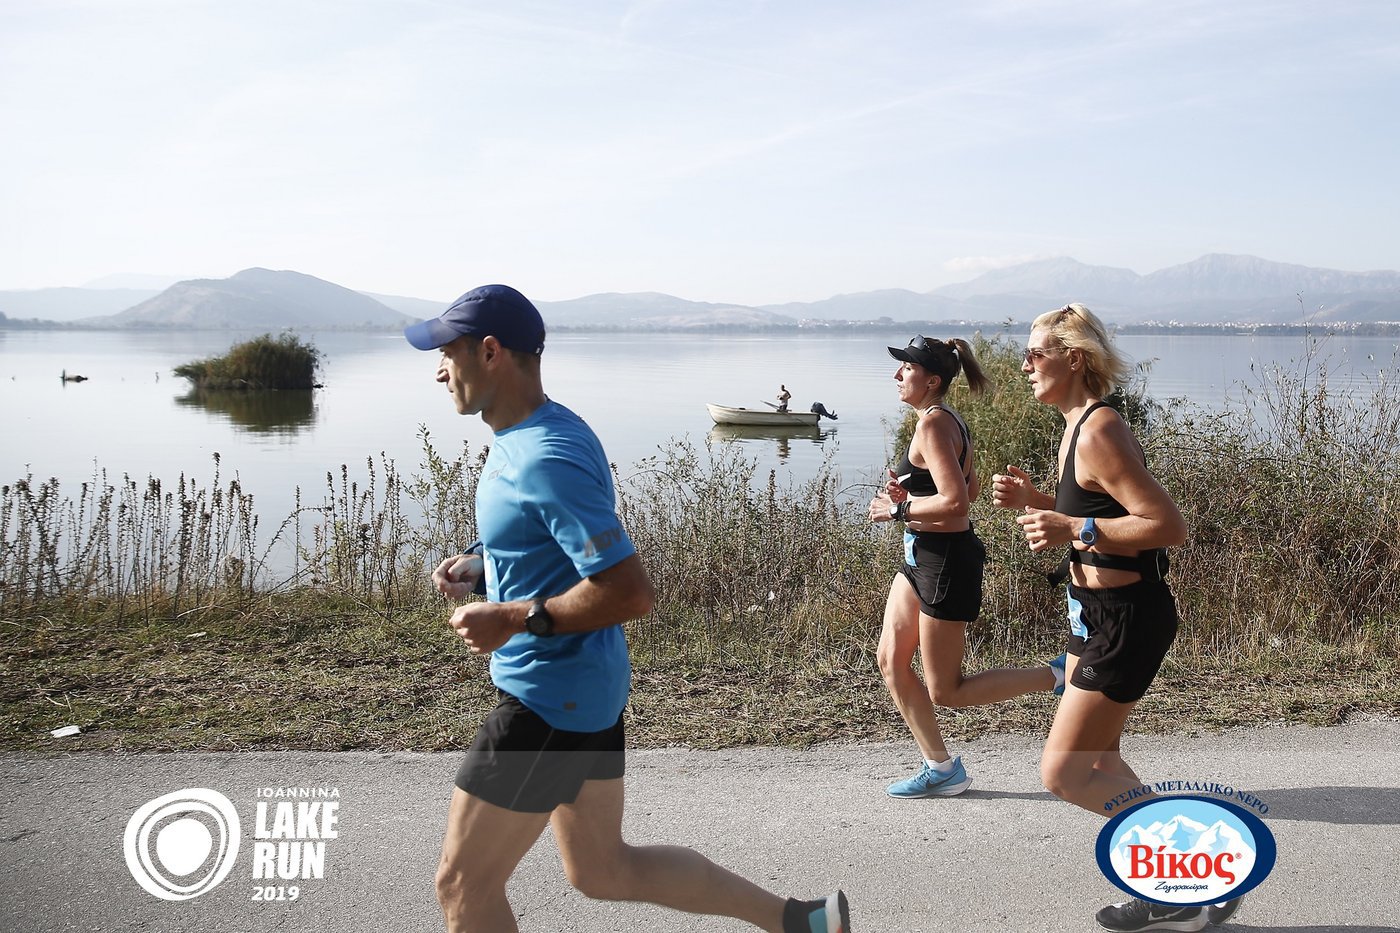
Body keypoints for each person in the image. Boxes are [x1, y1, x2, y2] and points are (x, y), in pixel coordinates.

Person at [405, 284, 850, 933]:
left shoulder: (544, 457)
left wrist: (511, 617)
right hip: (587, 687)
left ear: (491, 352)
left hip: (547, 698)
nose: (440, 370)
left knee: (463, 884)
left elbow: (628, 591)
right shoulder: (541, 431)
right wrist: (484, 565)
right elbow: (552, 541)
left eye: (449, 352)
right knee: (603, 868)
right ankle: (800, 922)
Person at [991, 304, 1234, 932]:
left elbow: (1166, 525)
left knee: (1064, 773)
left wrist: (1072, 526)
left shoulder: (1099, 429)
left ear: (1074, 359)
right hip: (1093, 614)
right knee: (1099, 761)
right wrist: (1037, 503)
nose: (1024, 366)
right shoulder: (1075, 426)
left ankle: (1190, 879)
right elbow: (1099, 511)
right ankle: (1186, 883)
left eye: (1035, 354)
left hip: (1126, 618)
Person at [868, 335, 1064, 799]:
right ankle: (940, 768)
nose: (897, 375)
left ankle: (1059, 675)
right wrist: (912, 495)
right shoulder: (945, 419)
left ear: (932, 380)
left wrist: (897, 510)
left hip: (944, 562)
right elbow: (968, 490)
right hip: (921, 556)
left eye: (907, 368)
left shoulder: (935, 424)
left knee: (947, 690)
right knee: (890, 659)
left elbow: (957, 503)